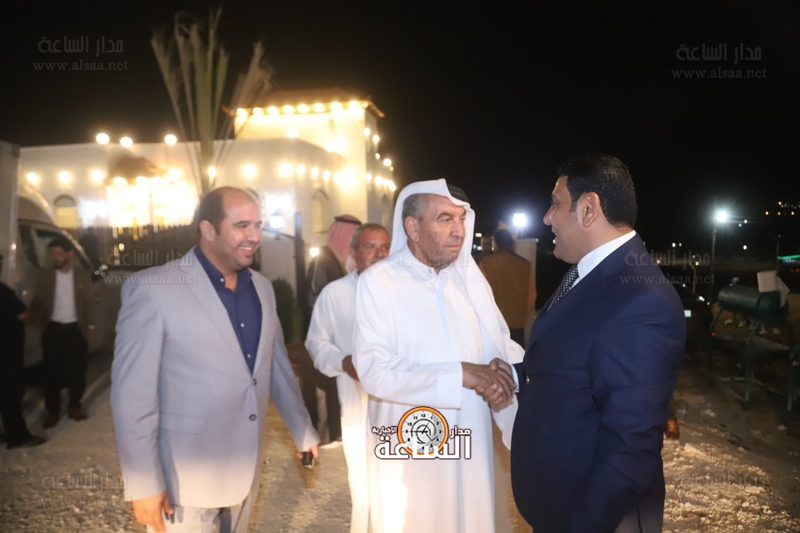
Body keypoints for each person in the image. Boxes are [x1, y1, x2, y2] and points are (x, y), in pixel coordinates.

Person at [486, 154, 685, 533]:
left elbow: (630, 448)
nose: (547, 218)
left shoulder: (640, 301)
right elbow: (575, 362)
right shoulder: (592, 273)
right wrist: (515, 374)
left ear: (589, 209)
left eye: (555, 203)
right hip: (562, 504)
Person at [111, 187, 319, 533]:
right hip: (183, 479)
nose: (255, 236)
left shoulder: (262, 289)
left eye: (257, 225)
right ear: (208, 230)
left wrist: (302, 430)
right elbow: (132, 396)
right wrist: (143, 482)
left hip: (245, 467)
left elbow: (276, 366)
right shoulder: (153, 289)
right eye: (241, 226)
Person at [352, 179, 523, 533]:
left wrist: (504, 379)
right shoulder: (379, 282)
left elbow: (499, 346)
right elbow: (374, 371)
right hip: (409, 446)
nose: (458, 231)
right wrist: (460, 374)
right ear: (412, 228)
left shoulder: (471, 281)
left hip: (471, 439)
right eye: (445, 219)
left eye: (461, 219)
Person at [305, 222, 391, 533]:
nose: (379, 254)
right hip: (358, 407)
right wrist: (343, 361)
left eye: (385, 247)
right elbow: (316, 342)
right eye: (370, 247)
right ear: (353, 252)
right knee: (364, 483)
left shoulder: (407, 293)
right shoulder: (336, 293)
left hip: (401, 407)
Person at [299, 214, 361, 445]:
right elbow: (315, 302)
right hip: (322, 350)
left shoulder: (339, 264)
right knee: (322, 409)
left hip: (339, 352)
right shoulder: (323, 262)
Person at [27, 236, 97, 427]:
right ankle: (53, 410)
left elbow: (89, 302)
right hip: (54, 328)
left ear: (69, 254)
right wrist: (34, 320)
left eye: (59, 254)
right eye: (53, 254)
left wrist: (90, 326)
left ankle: (74, 406)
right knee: (51, 372)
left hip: (76, 328)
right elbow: (38, 301)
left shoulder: (81, 275)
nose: (55, 258)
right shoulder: (46, 275)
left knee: (77, 371)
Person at [0, 253, 47, 449]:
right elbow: (24, 316)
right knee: (10, 396)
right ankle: (18, 437)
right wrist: (40, 314)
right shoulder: (3, 292)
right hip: (7, 355)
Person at [479, 228, 536, 347]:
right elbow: (532, 295)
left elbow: (479, 293)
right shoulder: (525, 264)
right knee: (516, 355)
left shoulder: (486, 263)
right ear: (512, 244)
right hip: (517, 323)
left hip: (494, 324)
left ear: (495, 244)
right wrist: (521, 310)